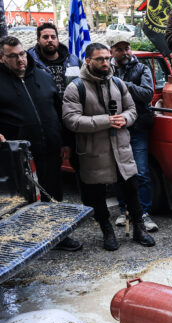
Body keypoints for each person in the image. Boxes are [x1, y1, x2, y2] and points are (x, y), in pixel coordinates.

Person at [62, 43, 155, 250]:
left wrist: (125, 118)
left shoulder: (118, 83)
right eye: (100, 59)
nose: (105, 62)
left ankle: (139, 229)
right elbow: (72, 121)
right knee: (96, 196)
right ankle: (107, 232)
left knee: (132, 191)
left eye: (107, 58)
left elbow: (132, 109)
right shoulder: (75, 87)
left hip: (121, 149)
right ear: (88, 61)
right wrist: (107, 120)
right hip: (94, 152)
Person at [0, 36, 81, 251]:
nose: (20, 59)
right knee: (21, 200)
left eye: (22, 54)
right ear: (1, 58)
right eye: (13, 56)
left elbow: (57, 111)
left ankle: (59, 236)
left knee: (53, 192)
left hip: (50, 147)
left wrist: (64, 141)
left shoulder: (43, 77)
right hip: (16, 155)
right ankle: (26, 242)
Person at [108, 33, 158, 233]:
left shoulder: (142, 68)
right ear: (112, 52)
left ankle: (144, 212)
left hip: (137, 128)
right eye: (119, 49)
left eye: (127, 47)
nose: (125, 52)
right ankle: (124, 210)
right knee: (120, 172)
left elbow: (148, 94)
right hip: (115, 128)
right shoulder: (107, 69)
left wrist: (122, 84)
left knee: (142, 172)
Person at [27, 24, 80, 99]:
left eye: (53, 37)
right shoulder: (29, 62)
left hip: (70, 106)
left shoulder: (73, 61)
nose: (50, 40)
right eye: (45, 37)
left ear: (57, 39)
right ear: (38, 40)